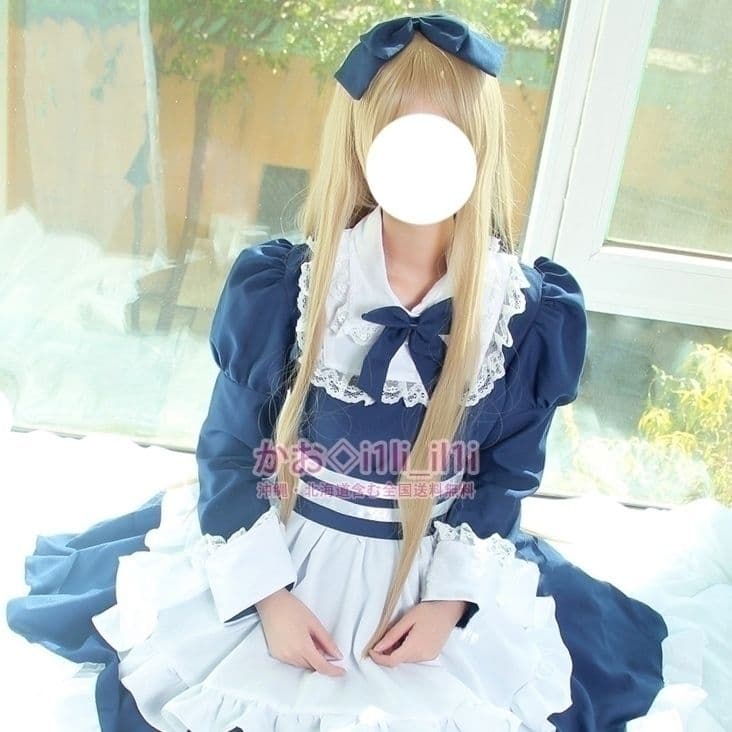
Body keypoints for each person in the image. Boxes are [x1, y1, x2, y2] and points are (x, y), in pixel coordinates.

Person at [6, 12, 703, 732]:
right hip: (293, 545)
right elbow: (233, 449)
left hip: (430, 564)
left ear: (478, 147)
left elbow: (505, 473)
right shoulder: (291, 289)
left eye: (446, 138)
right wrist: (268, 597)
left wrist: (448, 604)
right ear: (364, 142)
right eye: (402, 136)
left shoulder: (524, 314)